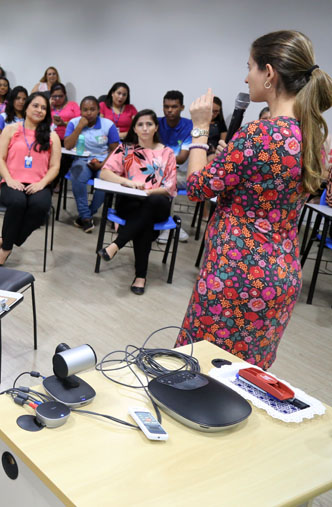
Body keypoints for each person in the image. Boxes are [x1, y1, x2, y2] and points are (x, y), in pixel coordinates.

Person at [177, 30, 332, 368]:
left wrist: (201, 128)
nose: (246, 77)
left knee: (198, 371)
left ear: (269, 73)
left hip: (236, 273)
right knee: (245, 378)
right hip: (280, 277)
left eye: (250, 67)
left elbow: (199, 187)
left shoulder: (259, 134)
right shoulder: (315, 140)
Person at [96, 110, 178, 294]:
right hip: (131, 202)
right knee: (144, 223)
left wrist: (148, 192)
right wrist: (128, 182)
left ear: (156, 127)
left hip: (158, 202)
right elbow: (105, 172)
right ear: (134, 128)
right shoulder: (126, 149)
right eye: (140, 124)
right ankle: (140, 276)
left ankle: (116, 244)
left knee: (151, 203)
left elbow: (170, 187)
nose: (145, 128)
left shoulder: (167, 153)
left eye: (149, 124)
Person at [0, 92, 61, 266]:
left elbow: (55, 167)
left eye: (44, 108)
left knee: (41, 206)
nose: (39, 110)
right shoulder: (11, 129)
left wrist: (42, 183)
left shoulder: (52, 136)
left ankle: (5, 240)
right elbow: (0, 158)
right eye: (35, 105)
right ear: (27, 106)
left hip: (39, 184)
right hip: (12, 181)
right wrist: (9, 179)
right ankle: (6, 249)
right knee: (18, 202)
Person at [64, 95, 121, 232]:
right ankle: (85, 217)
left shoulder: (108, 125)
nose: (88, 113)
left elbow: (115, 150)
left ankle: (87, 214)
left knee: (105, 182)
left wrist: (101, 165)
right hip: (81, 159)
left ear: (98, 111)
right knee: (77, 175)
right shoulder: (74, 122)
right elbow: (67, 145)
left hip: (103, 160)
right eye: (85, 110)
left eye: (92, 109)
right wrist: (79, 127)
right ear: (80, 111)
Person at [157, 90, 193, 243]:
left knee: (167, 182)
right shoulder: (157, 123)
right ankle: (165, 224)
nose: (169, 110)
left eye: (174, 106)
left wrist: (161, 158)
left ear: (182, 107)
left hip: (181, 174)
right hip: (157, 171)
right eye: (166, 106)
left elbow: (182, 158)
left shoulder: (188, 125)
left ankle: (165, 226)